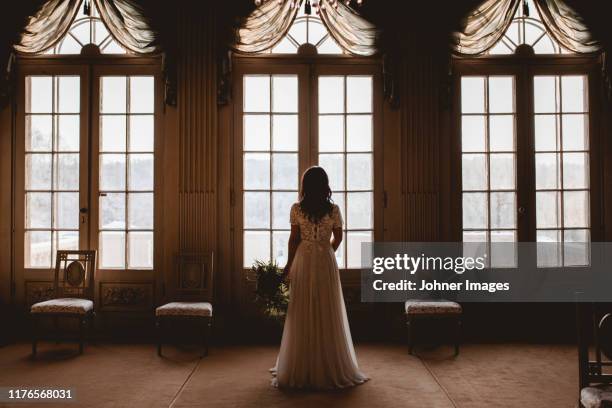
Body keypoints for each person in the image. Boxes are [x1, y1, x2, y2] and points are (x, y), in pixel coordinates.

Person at [270, 166, 369, 389]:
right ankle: (328, 362)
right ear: (325, 185)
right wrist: (326, 251)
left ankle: (301, 363)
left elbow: (293, 240)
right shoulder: (333, 209)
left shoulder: (297, 208)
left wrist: (288, 265)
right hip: (325, 260)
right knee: (327, 307)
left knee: (302, 309)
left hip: (303, 260)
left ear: (305, 185)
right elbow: (339, 238)